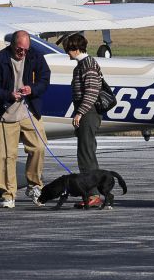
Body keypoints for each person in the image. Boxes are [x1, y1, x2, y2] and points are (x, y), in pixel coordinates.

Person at [0, 30, 50, 208]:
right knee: (7, 156)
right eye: (20, 49)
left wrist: (33, 89)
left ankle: (35, 186)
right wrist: (8, 95)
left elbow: (45, 79)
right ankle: (8, 194)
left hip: (29, 110)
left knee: (38, 148)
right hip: (7, 113)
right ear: (12, 45)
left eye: (26, 49)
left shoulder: (35, 57)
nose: (23, 53)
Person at [63, 33, 104, 208]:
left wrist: (79, 113)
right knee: (86, 153)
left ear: (75, 48)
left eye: (68, 49)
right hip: (86, 112)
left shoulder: (87, 65)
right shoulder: (83, 64)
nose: (67, 53)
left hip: (89, 113)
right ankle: (92, 193)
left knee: (86, 154)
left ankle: (93, 194)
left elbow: (92, 92)